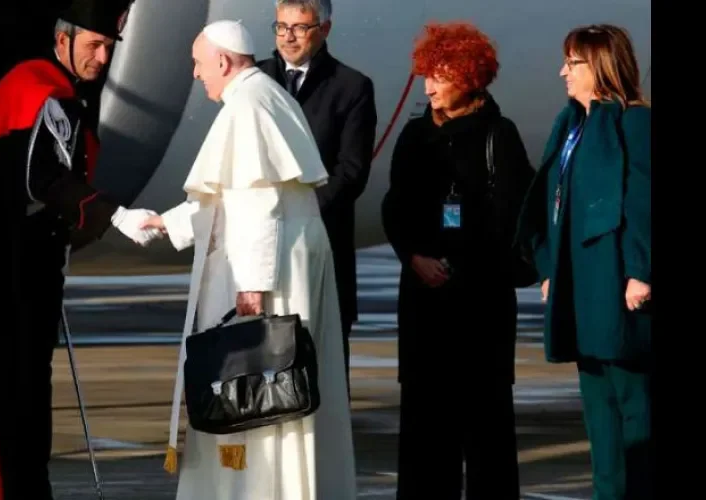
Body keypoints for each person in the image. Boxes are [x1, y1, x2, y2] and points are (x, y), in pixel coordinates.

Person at [0, 1, 159, 498]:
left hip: (28, 280)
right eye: (94, 45)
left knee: (29, 407)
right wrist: (111, 213)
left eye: (110, 48)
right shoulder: (35, 90)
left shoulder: (61, 94)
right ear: (62, 39)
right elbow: (43, 177)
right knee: (6, 404)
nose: (104, 59)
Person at [140, 19, 357, 500]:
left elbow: (258, 202)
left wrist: (253, 286)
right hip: (281, 258)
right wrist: (165, 223)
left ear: (222, 61)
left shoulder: (249, 104)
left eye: (199, 65)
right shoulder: (262, 96)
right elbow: (228, 198)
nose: (196, 76)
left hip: (269, 271)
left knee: (263, 389)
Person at [381, 21, 535, 500]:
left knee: (487, 435)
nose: (429, 85)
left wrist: (462, 264)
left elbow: (512, 218)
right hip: (425, 307)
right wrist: (413, 257)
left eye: (440, 75)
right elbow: (394, 207)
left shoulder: (498, 136)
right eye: (427, 74)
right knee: (424, 438)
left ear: (469, 77)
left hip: (480, 309)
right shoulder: (413, 136)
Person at [515, 24, 652, 500]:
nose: (563, 73)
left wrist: (640, 271)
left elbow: (641, 202)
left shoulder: (632, 122)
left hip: (617, 282)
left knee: (633, 402)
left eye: (572, 63)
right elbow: (552, 200)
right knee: (597, 404)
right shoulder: (570, 123)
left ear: (600, 65)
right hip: (580, 281)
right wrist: (549, 265)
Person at [257, 0, 377, 394]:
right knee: (263, 362)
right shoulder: (256, 79)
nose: (288, 37)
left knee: (322, 365)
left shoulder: (352, 87)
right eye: (281, 27)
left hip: (321, 241)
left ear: (324, 30)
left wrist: (300, 211)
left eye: (299, 28)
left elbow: (351, 172)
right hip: (264, 244)